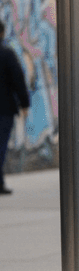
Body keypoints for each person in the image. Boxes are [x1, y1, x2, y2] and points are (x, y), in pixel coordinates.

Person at [0, 21, 30, 195]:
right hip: (4, 110)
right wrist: (24, 104)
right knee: (1, 146)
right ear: (2, 33)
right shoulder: (7, 54)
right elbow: (18, 80)